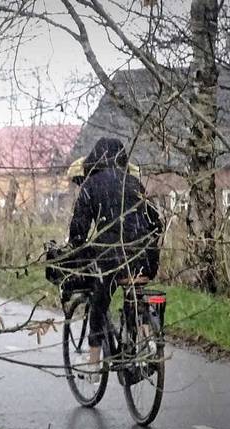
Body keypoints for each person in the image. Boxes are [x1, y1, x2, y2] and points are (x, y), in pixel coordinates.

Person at [67, 137, 162, 380]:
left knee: (99, 304)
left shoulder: (91, 185)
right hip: (144, 255)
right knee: (134, 293)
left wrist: (78, 250)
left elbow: (79, 228)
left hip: (111, 256)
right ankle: (148, 343)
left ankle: (93, 366)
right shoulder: (134, 183)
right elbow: (155, 222)